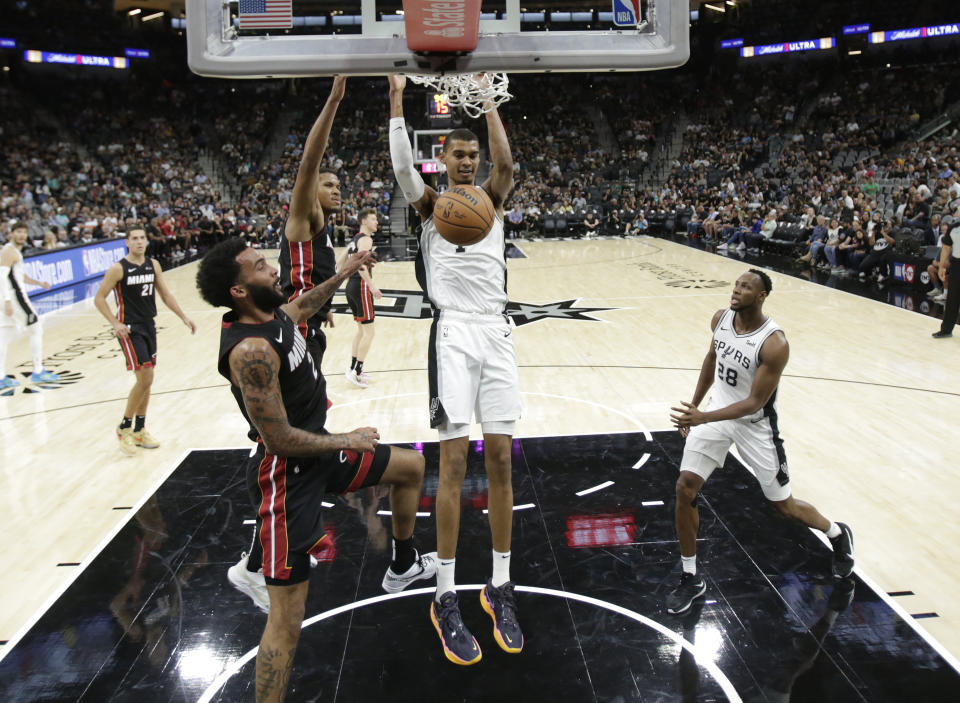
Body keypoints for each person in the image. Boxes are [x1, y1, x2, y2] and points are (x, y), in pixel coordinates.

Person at [196, 237, 436, 703]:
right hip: (286, 478)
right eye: (260, 266)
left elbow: (302, 306)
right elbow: (278, 439)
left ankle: (403, 565)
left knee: (412, 466)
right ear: (239, 291)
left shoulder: (272, 314)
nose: (271, 269)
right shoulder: (250, 351)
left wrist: (344, 272)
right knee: (287, 620)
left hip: (320, 456)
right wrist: (346, 438)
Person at [389, 73, 523, 665]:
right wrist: (395, 99)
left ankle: (499, 585)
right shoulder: (428, 208)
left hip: (497, 331)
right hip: (453, 335)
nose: (468, 162)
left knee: (499, 459)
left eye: (473, 154)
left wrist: (489, 100)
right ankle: (444, 594)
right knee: (451, 463)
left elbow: (508, 163)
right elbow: (400, 170)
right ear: (441, 159)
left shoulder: (491, 200)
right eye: (458, 154)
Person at [666, 269, 854, 615]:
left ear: (762, 295)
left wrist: (701, 418)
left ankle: (837, 533)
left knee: (784, 506)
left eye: (745, 287)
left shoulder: (774, 343)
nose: (736, 291)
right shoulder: (721, 319)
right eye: (736, 284)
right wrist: (696, 405)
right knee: (684, 489)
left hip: (755, 426)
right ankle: (690, 577)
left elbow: (754, 402)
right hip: (715, 417)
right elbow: (712, 360)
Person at [94, 227, 197, 454]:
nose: (139, 242)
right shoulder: (118, 269)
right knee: (146, 377)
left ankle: (139, 430)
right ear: (127, 242)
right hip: (130, 329)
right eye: (135, 239)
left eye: (142, 238)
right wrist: (114, 323)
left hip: (149, 325)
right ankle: (124, 427)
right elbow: (99, 298)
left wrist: (183, 317)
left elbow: (166, 294)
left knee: (147, 380)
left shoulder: (153, 265)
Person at [277, 77, 347, 371]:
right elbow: (309, 163)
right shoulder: (307, 217)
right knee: (304, 412)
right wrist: (334, 101)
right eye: (328, 184)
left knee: (310, 410)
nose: (336, 189)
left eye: (339, 186)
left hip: (310, 324)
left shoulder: (322, 229)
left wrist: (324, 308)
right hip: (297, 329)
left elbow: (315, 272)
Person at [0, 221, 60, 390]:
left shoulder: (13, 251)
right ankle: (38, 371)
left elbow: (18, 275)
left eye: (24, 232)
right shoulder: (9, 251)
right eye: (18, 231)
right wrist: (7, 301)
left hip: (8, 297)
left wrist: (39, 283)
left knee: (3, 336)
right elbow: (2, 276)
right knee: (36, 328)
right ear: (11, 233)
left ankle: (1, 377)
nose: (22, 235)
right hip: (14, 297)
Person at [340, 208, 382, 388]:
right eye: (373, 219)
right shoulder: (366, 239)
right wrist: (372, 287)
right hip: (362, 286)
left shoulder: (354, 240)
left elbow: (340, 261)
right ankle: (357, 372)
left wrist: (345, 279)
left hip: (352, 286)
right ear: (364, 221)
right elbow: (362, 265)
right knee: (369, 332)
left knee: (361, 330)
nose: (377, 223)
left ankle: (353, 369)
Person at [933, 222, 960, 338]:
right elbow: (946, 247)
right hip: (957, 264)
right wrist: (941, 267)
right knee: (952, 298)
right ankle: (946, 330)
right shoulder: (954, 228)